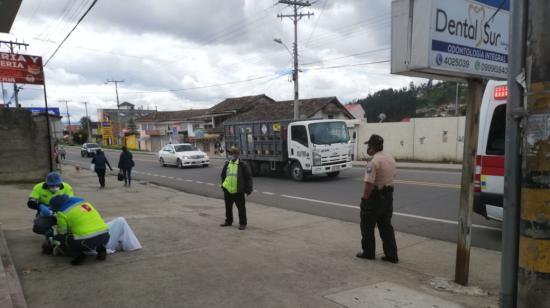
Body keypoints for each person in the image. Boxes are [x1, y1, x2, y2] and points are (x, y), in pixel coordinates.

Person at [356, 134, 398, 263]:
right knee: (386, 226)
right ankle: (391, 255)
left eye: (369, 146)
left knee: (367, 226)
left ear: (372, 147)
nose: (368, 148)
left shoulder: (373, 162)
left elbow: (369, 183)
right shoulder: (390, 158)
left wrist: (364, 199)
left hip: (375, 198)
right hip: (388, 196)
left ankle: (368, 252)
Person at [49, 194, 110, 265]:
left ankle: (78, 255)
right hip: (105, 235)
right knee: (94, 235)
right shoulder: (85, 204)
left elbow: (62, 232)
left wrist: (54, 237)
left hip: (85, 240)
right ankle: (102, 250)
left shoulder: (62, 213)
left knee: (62, 239)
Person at [220, 147, 253, 230]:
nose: (231, 155)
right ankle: (228, 221)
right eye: (230, 154)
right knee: (228, 208)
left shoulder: (242, 165)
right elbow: (223, 175)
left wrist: (248, 189)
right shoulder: (227, 164)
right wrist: (223, 186)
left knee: (241, 208)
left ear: (237, 155)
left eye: (233, 154)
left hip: (238, 191)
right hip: (228, 190)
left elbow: (248, 178)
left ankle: (242, 223)